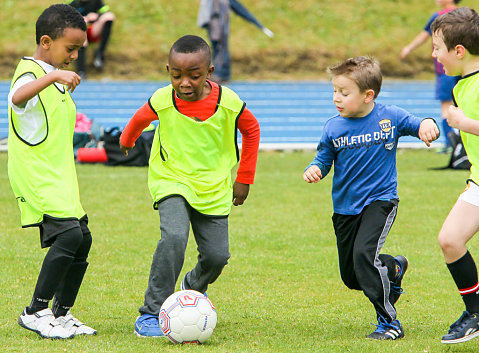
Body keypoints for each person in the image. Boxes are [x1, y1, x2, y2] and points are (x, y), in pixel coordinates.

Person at [119, 35, 260, 337]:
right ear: (168, 70)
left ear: (209, 72)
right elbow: (140, 119)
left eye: (194, 76)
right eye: (177, 75)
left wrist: (244, 178)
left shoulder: (229, 103)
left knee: (217, 257)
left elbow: (252, 129)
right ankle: (151, 312)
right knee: (174, 237)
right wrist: (126, 140)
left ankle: (192, 287)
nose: (185, 82)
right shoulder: (162, 99)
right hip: (171, 179)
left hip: (214, 186)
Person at [303, 56, 439, 340]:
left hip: (380, 201)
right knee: (353, 278)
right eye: (335, 91)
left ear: (368, 96)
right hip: (345, 208)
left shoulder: (390, 117)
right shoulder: (333, 127)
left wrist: (428, 124)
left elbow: (418, 122)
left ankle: (390, 323)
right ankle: (394, 267)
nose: (336, 98)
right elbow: (323, 158)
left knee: (365, 256)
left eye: (344, 93)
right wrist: (315, 168)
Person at [7, 4, 96, 339]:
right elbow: (17, 98)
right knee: (69, 235)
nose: (73, 56)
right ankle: (35, 311)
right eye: (69, 48)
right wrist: (54, 75)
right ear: (46, 41)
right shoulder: (31, 73)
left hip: (60, 177)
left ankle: (61, 314)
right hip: (34, 174)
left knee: (82, 238)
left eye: (77, 49)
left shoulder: (52, 77)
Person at [431, 7, 479, 344]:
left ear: (458, 51)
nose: (433, 54)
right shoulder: (462, 85)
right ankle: (475, 313)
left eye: (437, 47)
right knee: (450, 239)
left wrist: (466, 125)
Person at [400, 0, 462, 152]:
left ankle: (450, 144)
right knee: (464, 105)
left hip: (445, 69)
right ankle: (463, 145)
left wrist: (408, 48)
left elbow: (423, 36)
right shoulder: (465, 16)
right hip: (464, 68)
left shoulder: (439, 17)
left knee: (446, 106)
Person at [197, 0, 273, 83]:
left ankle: (222, 74)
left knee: (221, 51)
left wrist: (259, 25)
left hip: (221, 30)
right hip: (213, 29)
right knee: (217, 50)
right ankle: (220, 74)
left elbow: (241, 10)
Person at [66, 0, 115, 78]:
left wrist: (97, 15)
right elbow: (65, 17)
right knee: (81, 34)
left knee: (109, 16)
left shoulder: (96, 2)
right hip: (79, 31)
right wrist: (81, 19)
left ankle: (99, 54)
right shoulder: (73, 3)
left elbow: (106, 11)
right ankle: (81, 70)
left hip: (93, 30)